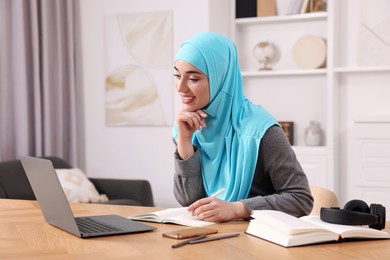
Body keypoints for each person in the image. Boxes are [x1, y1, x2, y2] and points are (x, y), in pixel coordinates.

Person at [172, 32, 313, 223]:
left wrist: (238, 209)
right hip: (211, 238)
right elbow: (189, 201)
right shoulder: (188, 126)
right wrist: (185, 141)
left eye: (193, 79)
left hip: (259, 242)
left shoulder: (260, 130)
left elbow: (301, 199)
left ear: (220, 78)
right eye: (177, 75)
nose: (180, 87)